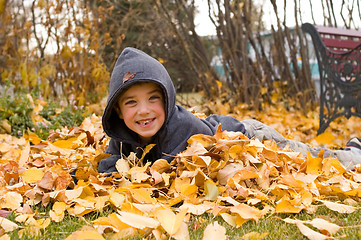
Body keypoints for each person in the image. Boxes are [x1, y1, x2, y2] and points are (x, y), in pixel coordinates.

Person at [98, 47, 361, 173]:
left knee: (308, 158)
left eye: (153, 99)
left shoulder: (185, 128)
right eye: (131, 102)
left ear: (167, 99)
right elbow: (112, 165)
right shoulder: (122, 137)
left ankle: (353, 154)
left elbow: (181, 168)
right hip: (238, 133)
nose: (143, 111)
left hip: (250, 137)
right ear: (118, 111)